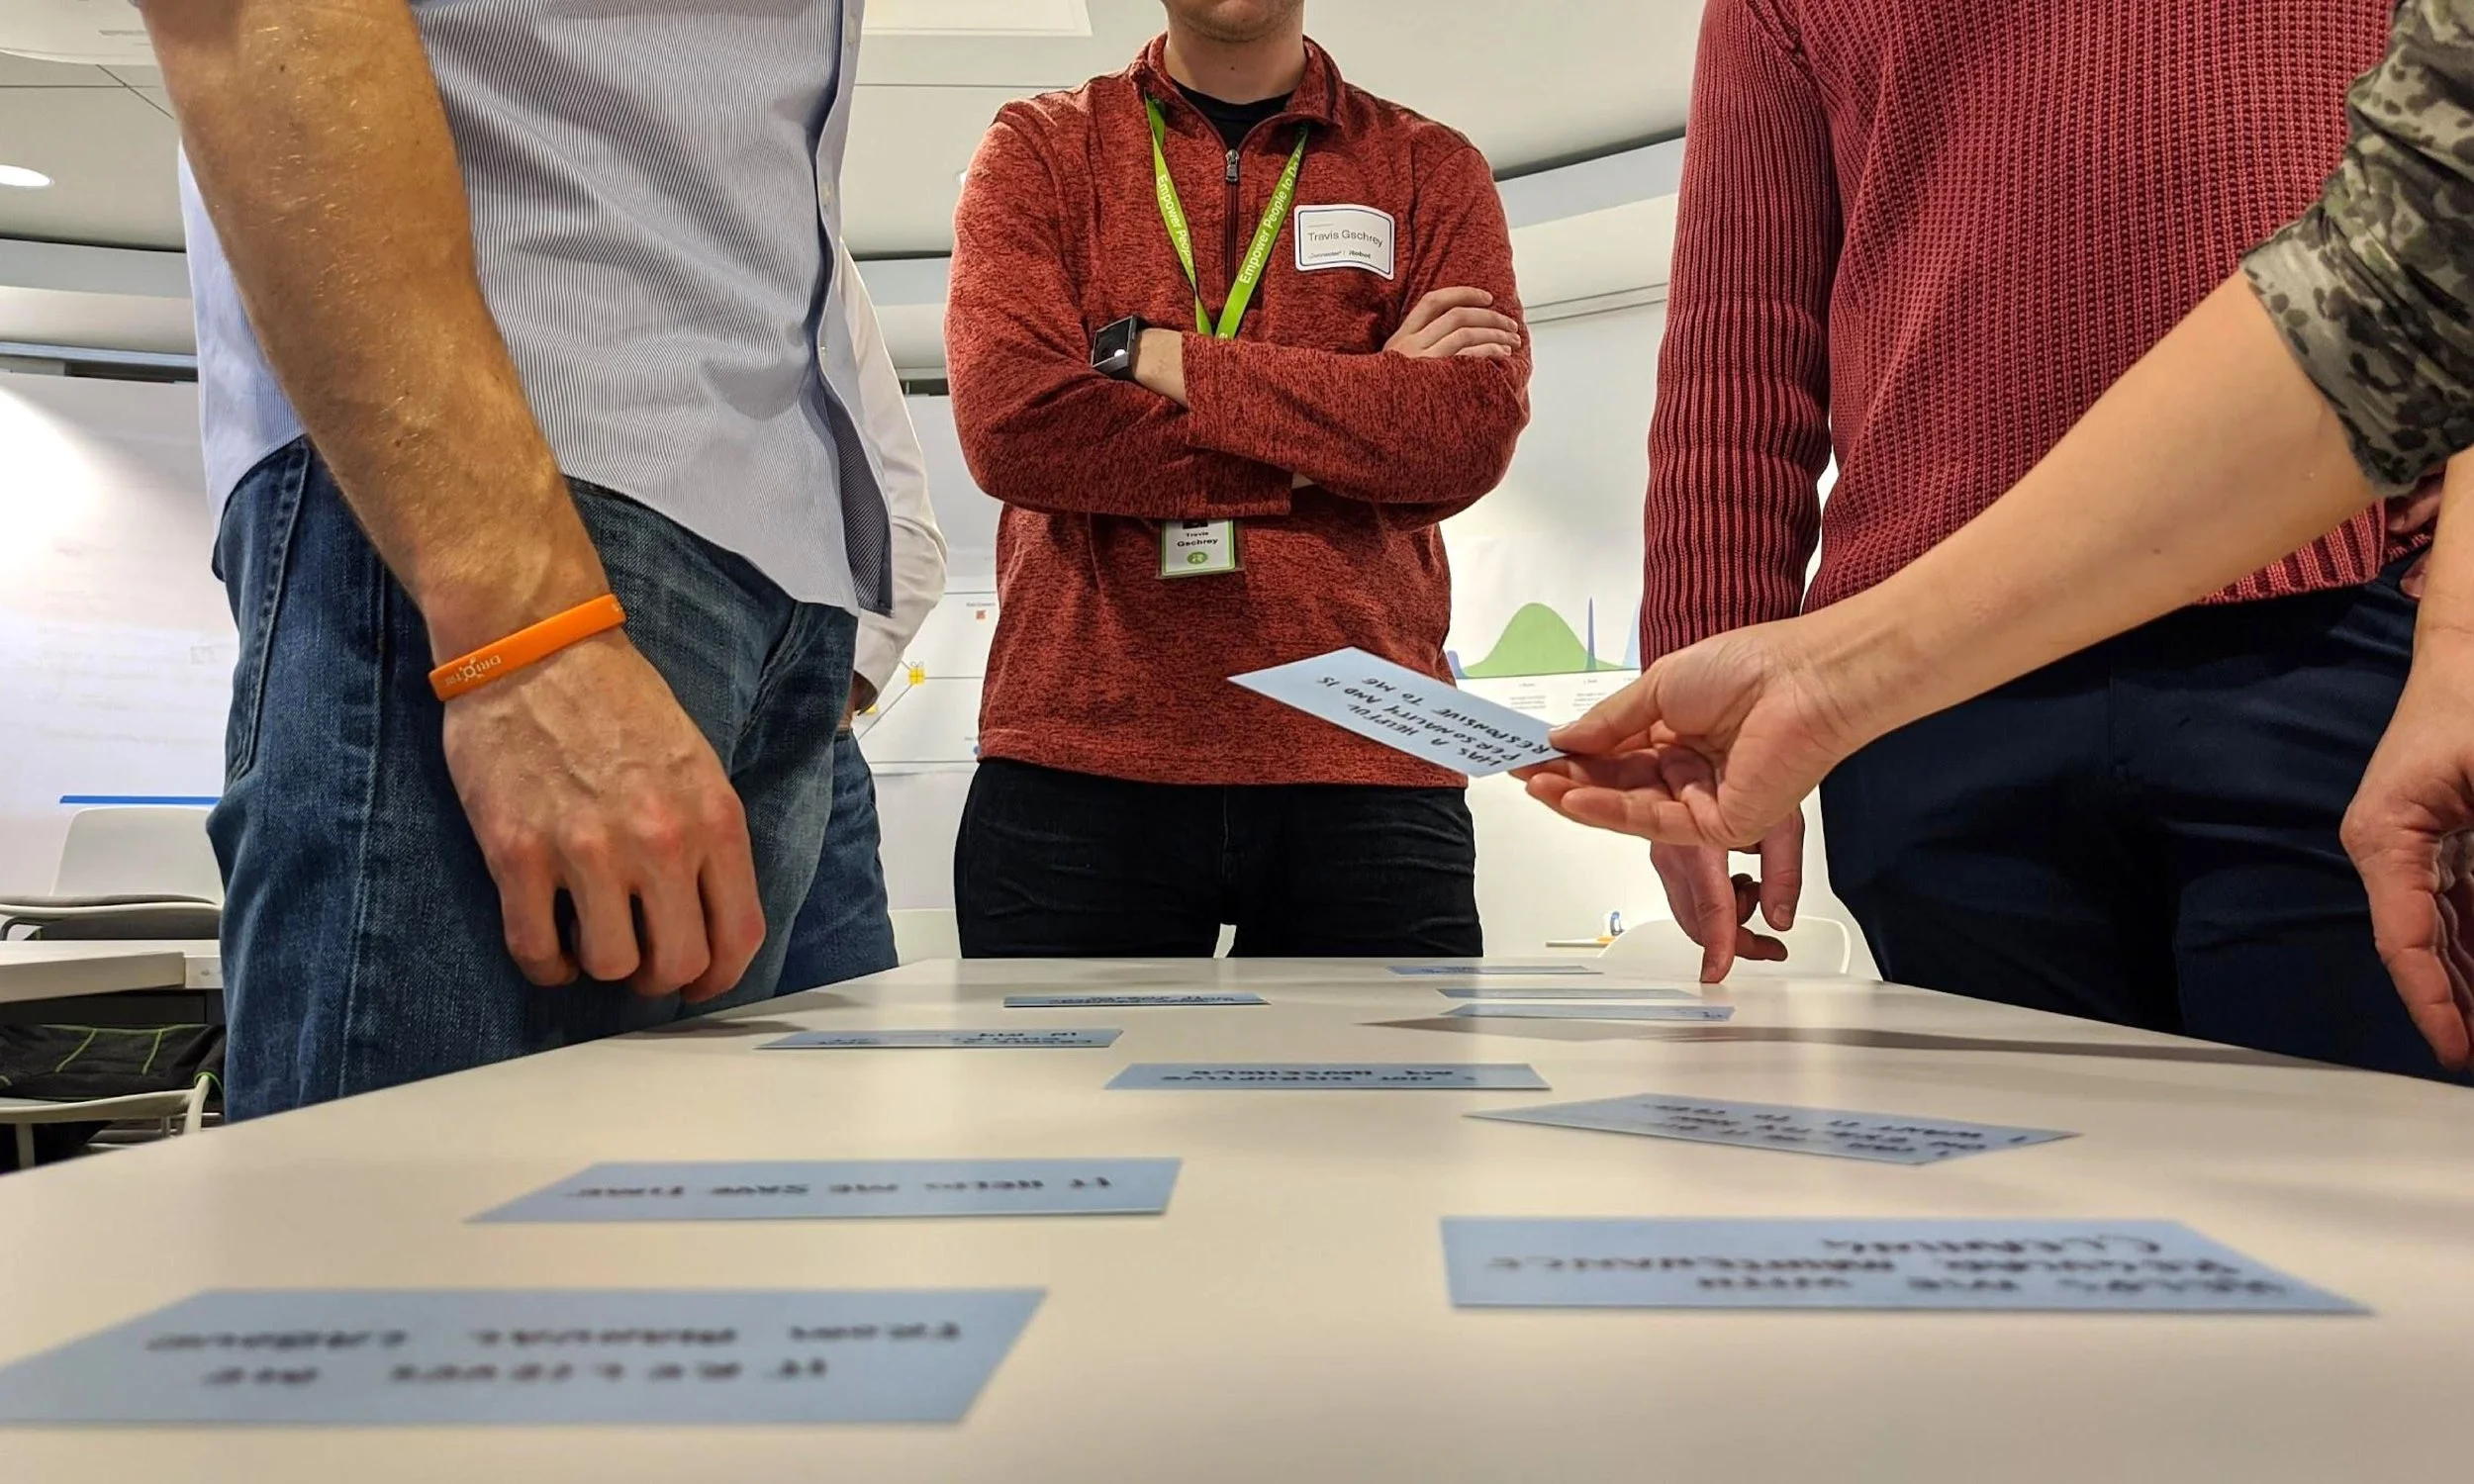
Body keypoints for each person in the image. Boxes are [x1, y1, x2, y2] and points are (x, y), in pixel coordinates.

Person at [1531, 0, 2474, 1076]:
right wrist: (1713, 712)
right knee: (2003, 1196)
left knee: (2374, 1179)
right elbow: (1740, 339)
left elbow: (2431, 229)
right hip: (1927, 691)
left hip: (2346, 631)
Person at [144, 0, 890, 1117]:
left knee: (674, 1268)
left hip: (768, 565)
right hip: (519, 513)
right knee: (424, 1264)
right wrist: (520, 630)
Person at [943, 0, 1531, 959]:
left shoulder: (1429, 166)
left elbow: (1461, 432)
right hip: (1078, 755)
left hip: (1368, 760)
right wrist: (1360, 412)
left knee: (1385, 1114)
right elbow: (1015, 426)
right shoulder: (1040, 148)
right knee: (1046, 1116)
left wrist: (1162, 359)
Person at [781, 245, 950, 991]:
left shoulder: (806, 239)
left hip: (804, 750)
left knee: (844, 1082)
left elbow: (908, 538)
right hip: (583, 736)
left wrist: (819, 694)